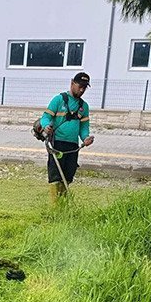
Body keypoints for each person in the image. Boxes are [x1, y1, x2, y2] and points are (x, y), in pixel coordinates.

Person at [40, 72, 95, 204]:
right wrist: (46, 126)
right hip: (57, 144)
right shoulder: (58, 100)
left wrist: (86, 138)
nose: (81, 90)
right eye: (80, 86)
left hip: (73, 147)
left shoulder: (84, 107)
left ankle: (62, 205)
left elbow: (83, 127)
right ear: (72, 83)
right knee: (55, 176)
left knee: (68, 176)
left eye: (84, 88)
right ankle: (55, 208)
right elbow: (45, 117)